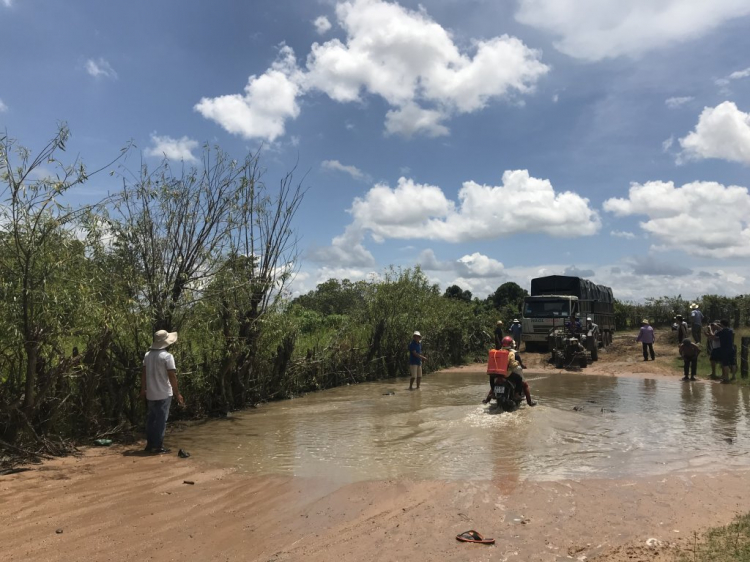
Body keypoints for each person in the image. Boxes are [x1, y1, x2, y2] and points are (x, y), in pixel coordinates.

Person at [141, 330, 183, 454]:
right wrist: (177, 393)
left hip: (151, 393)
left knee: (151, 419)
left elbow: (143, 373)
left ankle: (150, 444)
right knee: (161, 420)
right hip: (164, 393)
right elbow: (172, 376)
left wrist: (143, 389)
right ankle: (158, 446)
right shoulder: (167, 357)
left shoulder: (147, 355)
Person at [483, 336, 536, 406]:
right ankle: (526, 400)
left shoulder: (497, 352)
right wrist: (520, 364)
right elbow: (516, 364)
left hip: (496, 373)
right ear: (511, 344)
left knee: (493, 381)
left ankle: (488, 398)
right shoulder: (513, 353)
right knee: (523, 383)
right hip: (507, 374)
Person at [713, 319, 735, 384]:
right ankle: (733, 376)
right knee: (732, 362)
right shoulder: (730, 330)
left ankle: (726, 377)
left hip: (724, 349)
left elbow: (714, 336)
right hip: (731, 348)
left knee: (725, 363)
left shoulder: (722, 331)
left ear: (722, 324)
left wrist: (711, 329)